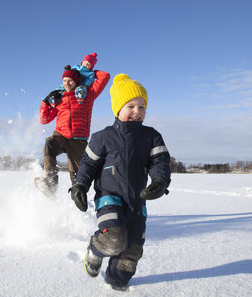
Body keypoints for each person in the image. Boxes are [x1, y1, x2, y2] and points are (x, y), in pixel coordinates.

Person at [68, 73, 171, 291]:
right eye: (131, 106)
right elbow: (87, 164)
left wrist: (160, 180)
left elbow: (160, 161)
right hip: (109, 198)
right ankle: (95, 249)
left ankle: (116, 284)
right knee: (114, 239)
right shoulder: (102, 137)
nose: (137, 111)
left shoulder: (152, 136)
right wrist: (80, 186)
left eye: (142, 107)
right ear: (118, 108)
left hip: (137, 202)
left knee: (132, 250)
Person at [36, 62, 110, 196]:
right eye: (64, 80)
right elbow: (44, 119)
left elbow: (105, 76)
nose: (67, 83)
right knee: (49, 145)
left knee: (77, 180)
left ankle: (78, 205)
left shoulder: (88, 95)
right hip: (61, 136)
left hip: (78, 141)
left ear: (76, 81)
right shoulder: (59, 98)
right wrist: (46, 102)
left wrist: (85, 71)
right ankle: (50, 183)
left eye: (70, 80)